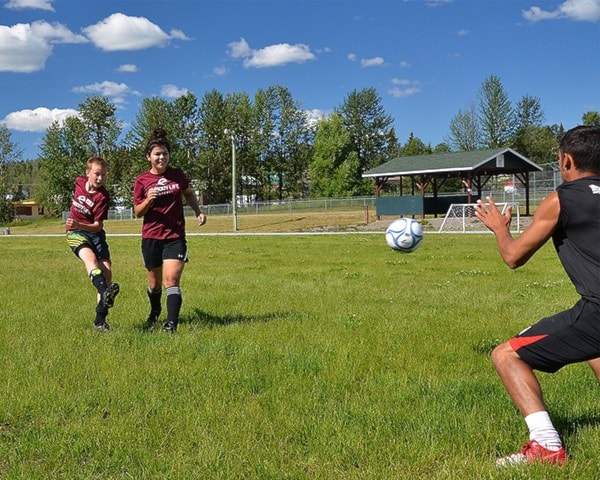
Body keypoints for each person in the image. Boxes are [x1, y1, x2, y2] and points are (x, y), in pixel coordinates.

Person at [474, 125, 600, 466]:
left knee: (506, 355)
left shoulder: (561, 198)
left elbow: (514, 257)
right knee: (595, 353)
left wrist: (500, 228)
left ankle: (546, 447)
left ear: (567, 160)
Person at [133, 128, 206, 333]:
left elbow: (188, 194)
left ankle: (171, 325)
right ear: (149, 157)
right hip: (151, 237)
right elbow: (138, 212)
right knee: (154, 284)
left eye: (165, 153)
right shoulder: (142, 180)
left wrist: (198, 212)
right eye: (157, 154)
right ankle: (155, 311)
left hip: (175, 236)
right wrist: (148, 199)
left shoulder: (177, 175)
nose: (161, 157)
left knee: (171, 279)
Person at [66, 156, 120, 331]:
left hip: (95, 234)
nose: (100, 178)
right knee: (90, 260)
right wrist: (76, 225)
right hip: (75, 233)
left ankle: (100, 320)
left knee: (107, 273)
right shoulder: (79, 182)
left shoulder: (103, 197)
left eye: (103, 175)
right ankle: (105, 292)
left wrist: (79, 223)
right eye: (97, 174)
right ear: (87, 173)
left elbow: (97, 226)